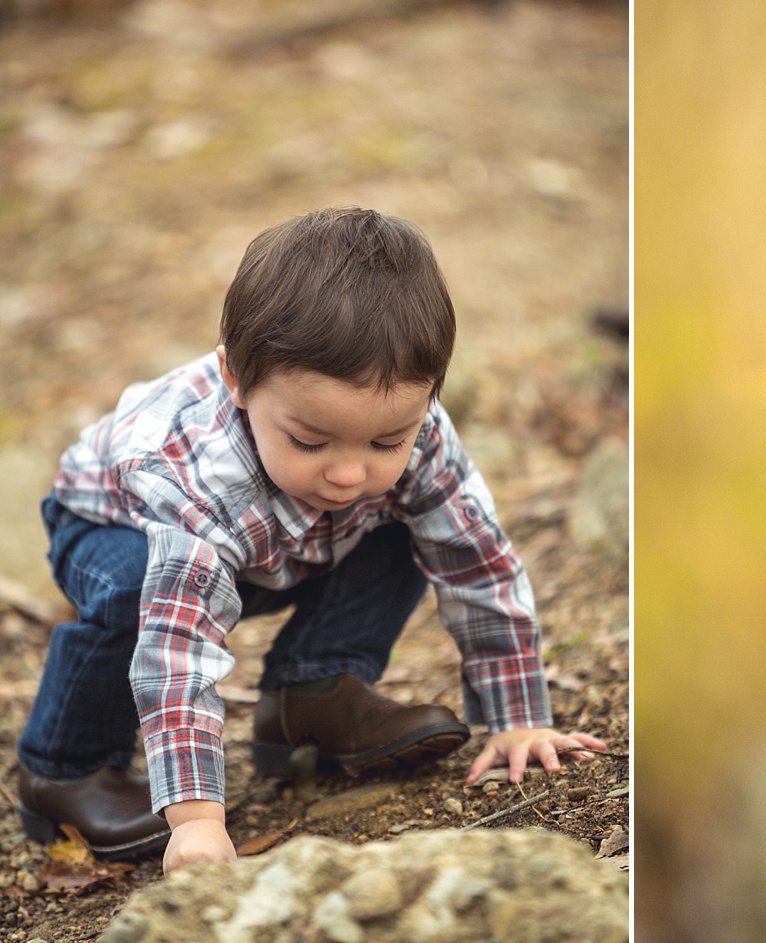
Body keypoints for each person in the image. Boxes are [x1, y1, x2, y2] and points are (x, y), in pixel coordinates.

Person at [13, 207, 607, 873]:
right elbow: (178, 648)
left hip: (282, 544)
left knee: (410, 521)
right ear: (237, 380)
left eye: (387, 439)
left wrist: (517, 715)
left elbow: (476, 561)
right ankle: (64, 767)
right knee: (131, 586)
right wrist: (198, 817)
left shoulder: (421, 438)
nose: (350, 469)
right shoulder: (196, 478)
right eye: (310, 439)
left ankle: (314, 689)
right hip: (114, 530)